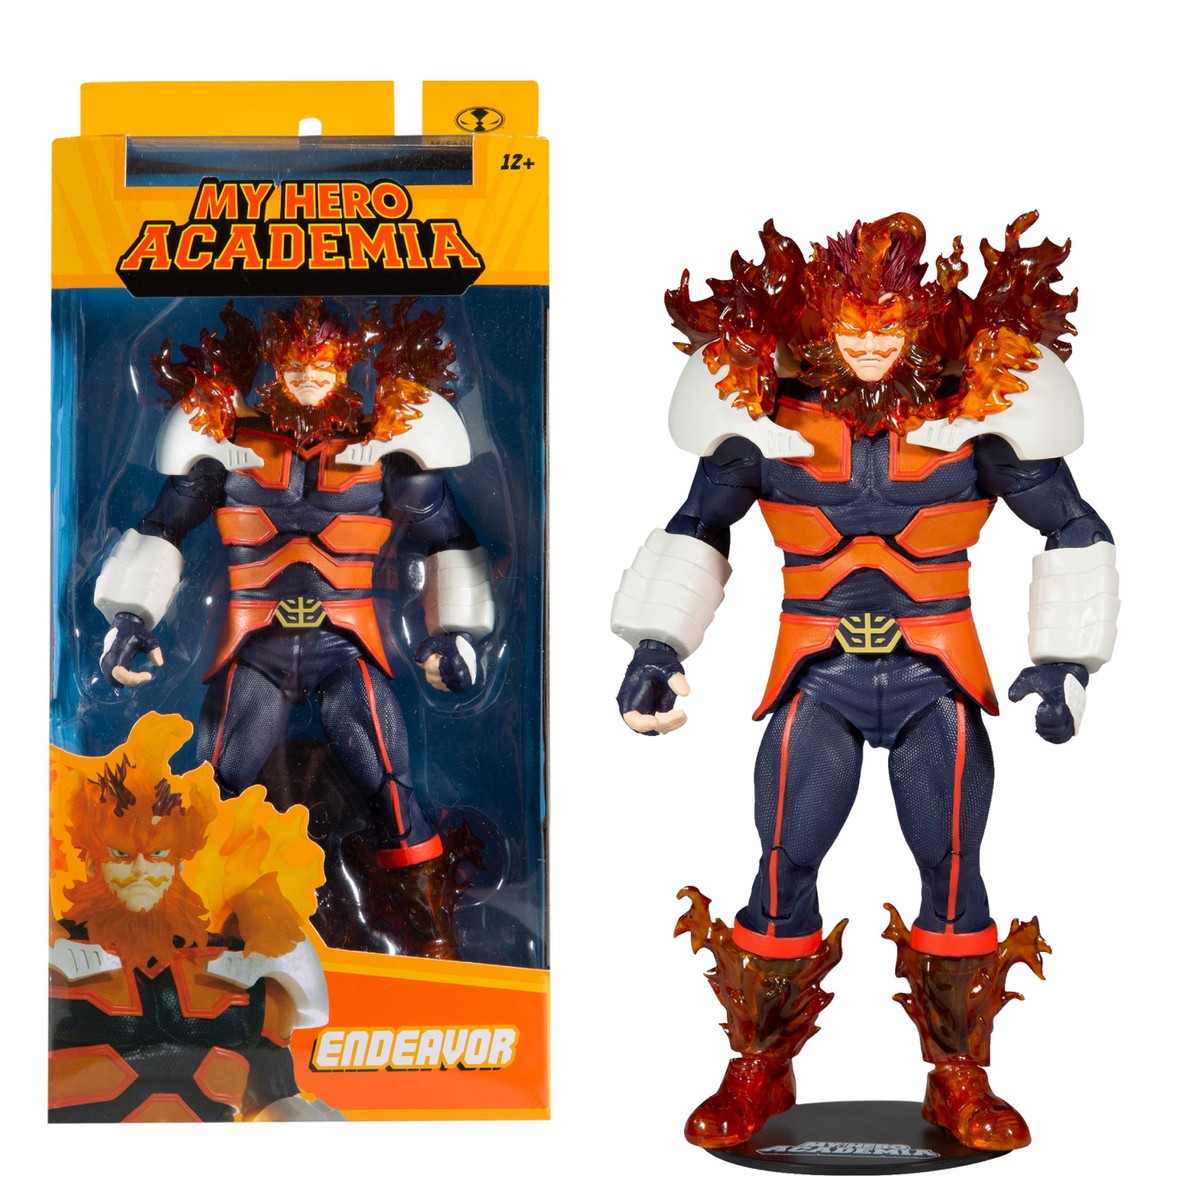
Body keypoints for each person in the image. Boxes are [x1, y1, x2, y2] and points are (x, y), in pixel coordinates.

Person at [612, 213, 1118, 1152]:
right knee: (782, 861)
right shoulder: (765, 414)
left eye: (891, 327)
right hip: (819, 673)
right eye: (855, 326)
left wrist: (1066, 662)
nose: (873, 345)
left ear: (920, 325)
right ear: (823, 322)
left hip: (935, 674)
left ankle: (958, 1076)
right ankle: (760, 1065)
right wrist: (656, 647)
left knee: (953, 865)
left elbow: (1073, 524)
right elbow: (698, 525)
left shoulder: (977, 412)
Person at [94, 298, 494, 957]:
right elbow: (163, 528)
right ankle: (183, 930)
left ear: (347, 366)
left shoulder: (388, 444)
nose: (308, 377)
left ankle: (431, 937)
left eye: (322, 364)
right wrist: (129, 617)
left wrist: (457, 633)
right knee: (213, 795)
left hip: (347, 647)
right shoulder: (223, 439)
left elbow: (448, 539)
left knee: (392, 793)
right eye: (294, 365)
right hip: (257, 649)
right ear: (273, 368)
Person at [49, 712, 339, 1122]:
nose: (141, 871)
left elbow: (278, 1102)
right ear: (94, 863)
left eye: (158, 855)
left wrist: (263, 918)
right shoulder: (55, 964)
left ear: (179, 865)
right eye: (120, 854)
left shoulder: (242, 974)